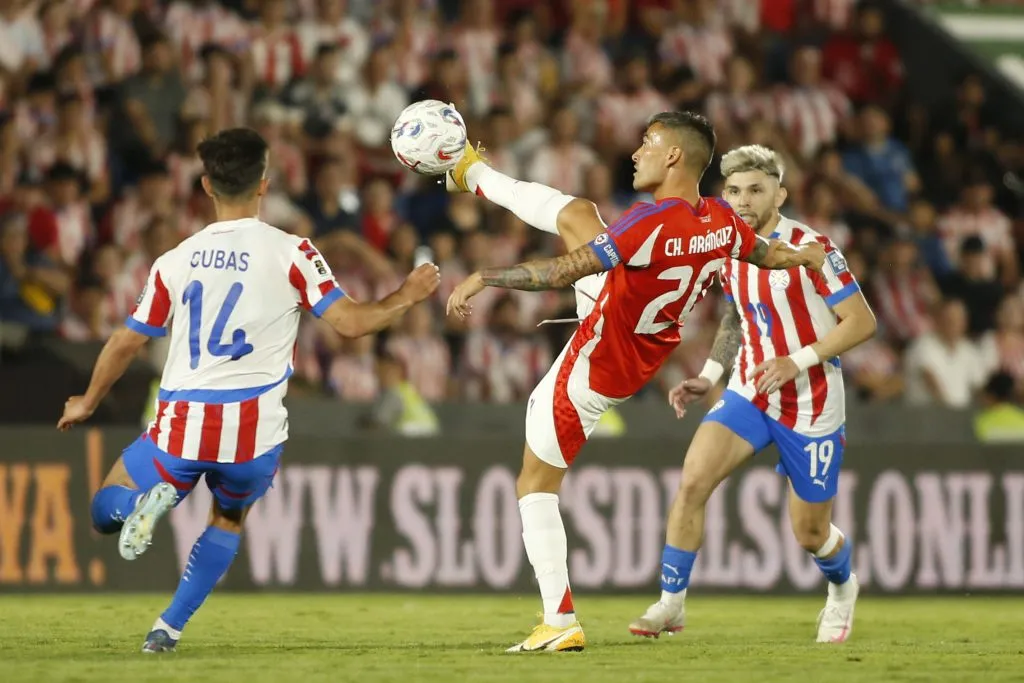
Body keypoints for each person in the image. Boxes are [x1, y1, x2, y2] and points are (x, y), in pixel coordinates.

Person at [443, 112, 827, 653]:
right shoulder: (718, 218)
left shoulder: (646, 225)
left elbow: (559, 273)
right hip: (639, 338)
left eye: (648, 142)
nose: (635, 152)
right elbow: (766, 254)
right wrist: (805, 256)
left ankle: (560, 620)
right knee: (577, 213)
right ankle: (472, 171)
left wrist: (484, 276)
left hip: (596, 362)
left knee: (533, 485)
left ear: (674, 157)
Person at [55, 128, 440, 653]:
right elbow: (352, 324)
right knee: (228, 517)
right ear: (264, 184)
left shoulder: (175, 259)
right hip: (254, 432)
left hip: (183, 423)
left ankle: (139, 505)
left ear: (206, 185)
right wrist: (407, 295)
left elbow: (126, 341)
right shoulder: (293, 253)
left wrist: (89, 400)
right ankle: (166, 629)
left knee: (105, 505)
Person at [628, 145, 877, 644]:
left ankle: (843, 589)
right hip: (749, 389)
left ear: (779, 194)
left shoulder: (813, 247)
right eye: (735, 190)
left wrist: (796, 361)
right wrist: (711, 372)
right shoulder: (727, 246)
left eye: (755, 190)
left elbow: (862, 322)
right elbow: (738, 314)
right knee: (693, 480)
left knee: (810, 533)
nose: (743, 200)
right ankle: (671, 606)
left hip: (810, 399)